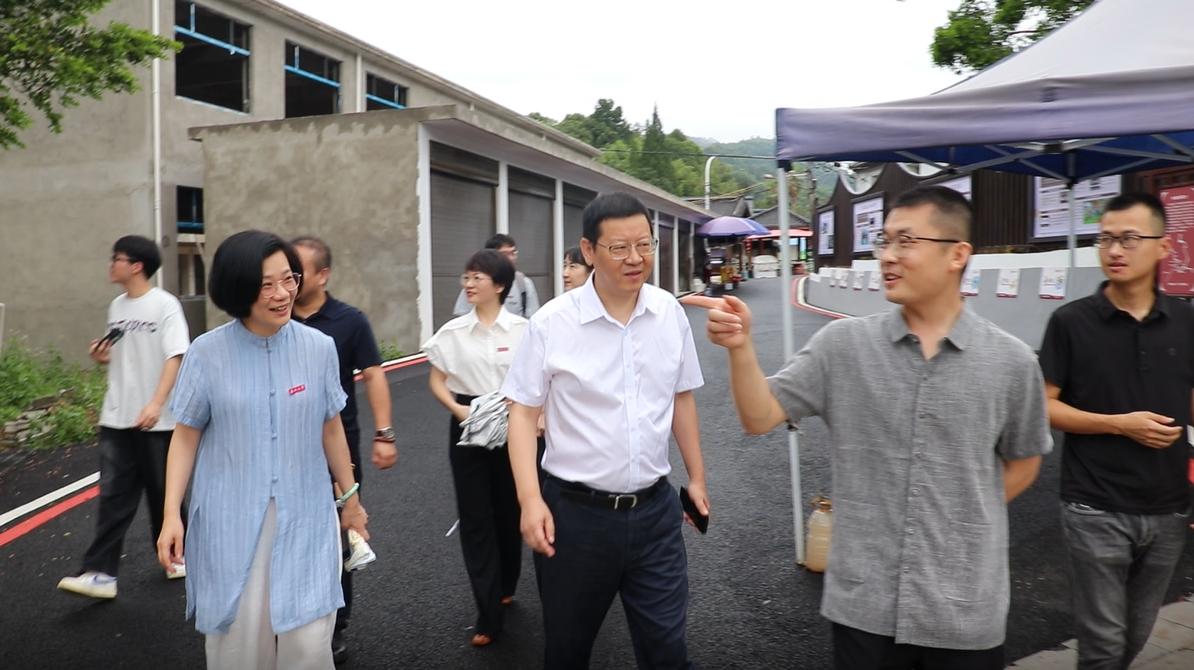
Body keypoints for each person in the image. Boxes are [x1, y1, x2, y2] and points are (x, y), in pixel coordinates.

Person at [685, 185, 1051, 670]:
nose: (888, 255)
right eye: (885, 240)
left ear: (957, 255)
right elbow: (759, 416)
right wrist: (741, 348)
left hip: (965, 609)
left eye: (906, 241)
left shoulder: (1011, 361)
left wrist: (960, 512)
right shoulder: (843, 345)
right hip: (863, 609)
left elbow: (1025, 461)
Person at [503, 192, 710, 669]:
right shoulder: (552, 323)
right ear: (589, 250)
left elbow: (681, 396)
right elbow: (522, 413)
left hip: (655, 514)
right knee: (567, 650)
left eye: (644, 244)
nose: (635, 258)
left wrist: (697, 478)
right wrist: (530, 500)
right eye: (619, 248)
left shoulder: (668, 313)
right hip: (576, 519)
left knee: (667, 651)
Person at [155, 231, 367, 670]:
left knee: (309, 646)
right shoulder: (206, 354)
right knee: (239, 647)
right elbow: (186, 435)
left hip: (306, 517)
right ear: (238, 289)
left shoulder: (318, 348)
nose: (282, 293)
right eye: (266, 285)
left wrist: (351, 501)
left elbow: (331, 427)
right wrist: (171, 513)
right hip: (230, 523)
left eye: (289, 279)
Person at [1038, 193, 1192, 669]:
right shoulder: (1071, 322)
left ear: (1163, 246)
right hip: (1094, 504)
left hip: (1168, 508)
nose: (1114, 250)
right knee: (1103, 645)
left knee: (1136, 634)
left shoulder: (1187, 321)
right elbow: (1044, 406)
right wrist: (1118, 426)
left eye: (1128, 239)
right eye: (1105, 239)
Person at [58, 235, 190, 599]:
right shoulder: (116, 306)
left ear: (136, 266)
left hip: (157, 420)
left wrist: (156, 404)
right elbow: (124, 355)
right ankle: (100, 573)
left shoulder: (165, 305)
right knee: (114, 496)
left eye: (116, 258)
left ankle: (178, 556)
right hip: (117, 416)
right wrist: (103, 356)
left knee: (164, 493)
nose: (110, 264)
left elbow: (176, 355)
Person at [290, 236, 397, 665]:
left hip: (338, 448)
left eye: (297, 273)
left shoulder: (349, 321)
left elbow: (374, 374)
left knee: (338, 536)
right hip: (285, 448)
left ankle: (335, 625)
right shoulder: (273, 318)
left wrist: (384, 434)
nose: (289, 283)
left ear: (323, 275)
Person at [424, 249, 528, 648]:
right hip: (467, 427)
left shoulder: (523, 330)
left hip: (514, 425)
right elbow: (437, 381)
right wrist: (458, 410)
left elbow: (537, 381)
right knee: (475, 518)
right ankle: (488, 613)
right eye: (466, 277)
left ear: (499, 285)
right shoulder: (452, 333)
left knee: (510, 511)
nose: (468, 284)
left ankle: (506, 584)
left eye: (477, 278)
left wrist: (533, 419)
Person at [453, 233, 540, 317]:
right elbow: (462, 316)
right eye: (505, 254)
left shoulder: (523, 283)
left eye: (513, 253)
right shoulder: (474, 284)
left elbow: (532, 318)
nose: (511, 258)